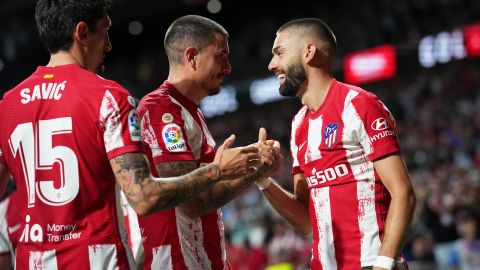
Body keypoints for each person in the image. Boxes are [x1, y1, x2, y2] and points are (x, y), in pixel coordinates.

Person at [0, 1, 266, 269]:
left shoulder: (6, 106)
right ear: (81, 33)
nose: (109, 45)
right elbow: (144, 197)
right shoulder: (107, 98)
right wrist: (217, 171)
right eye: (104, 32)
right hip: (96, 259)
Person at [257, 18, 416, 270]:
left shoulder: (360, 105)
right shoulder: (299, 124)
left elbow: (403, 193)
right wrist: (263, 179)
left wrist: (384, 264)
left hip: (370, 264)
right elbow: (306, 220)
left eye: (279, 53)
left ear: (309, 52)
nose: (271, 64)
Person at [136, 15, 280, 270]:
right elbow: (191, 204)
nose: (228, 67)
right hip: (178, 262)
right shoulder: (161, 110)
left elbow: (203, 194)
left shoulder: (189, 111)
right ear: (191, 57)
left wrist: (254, 168)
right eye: (220, 56)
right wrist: (248, 172)